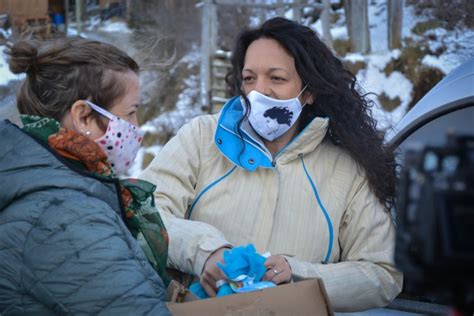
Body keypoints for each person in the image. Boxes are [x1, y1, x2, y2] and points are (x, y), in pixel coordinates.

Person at [140, 17, 402, 312]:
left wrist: (298, 273)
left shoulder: (346, 170)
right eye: (249, 78)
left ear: (309, 91)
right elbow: (145, 214)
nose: (258, 91)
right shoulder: (202, 138)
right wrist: (206, 251)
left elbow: (382, 273)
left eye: (276, 78)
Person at [0, 37, 170, 315]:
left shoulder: (52, 178)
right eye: (130, 113)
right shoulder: (65, 215)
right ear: (83, 116)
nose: (137, 127)